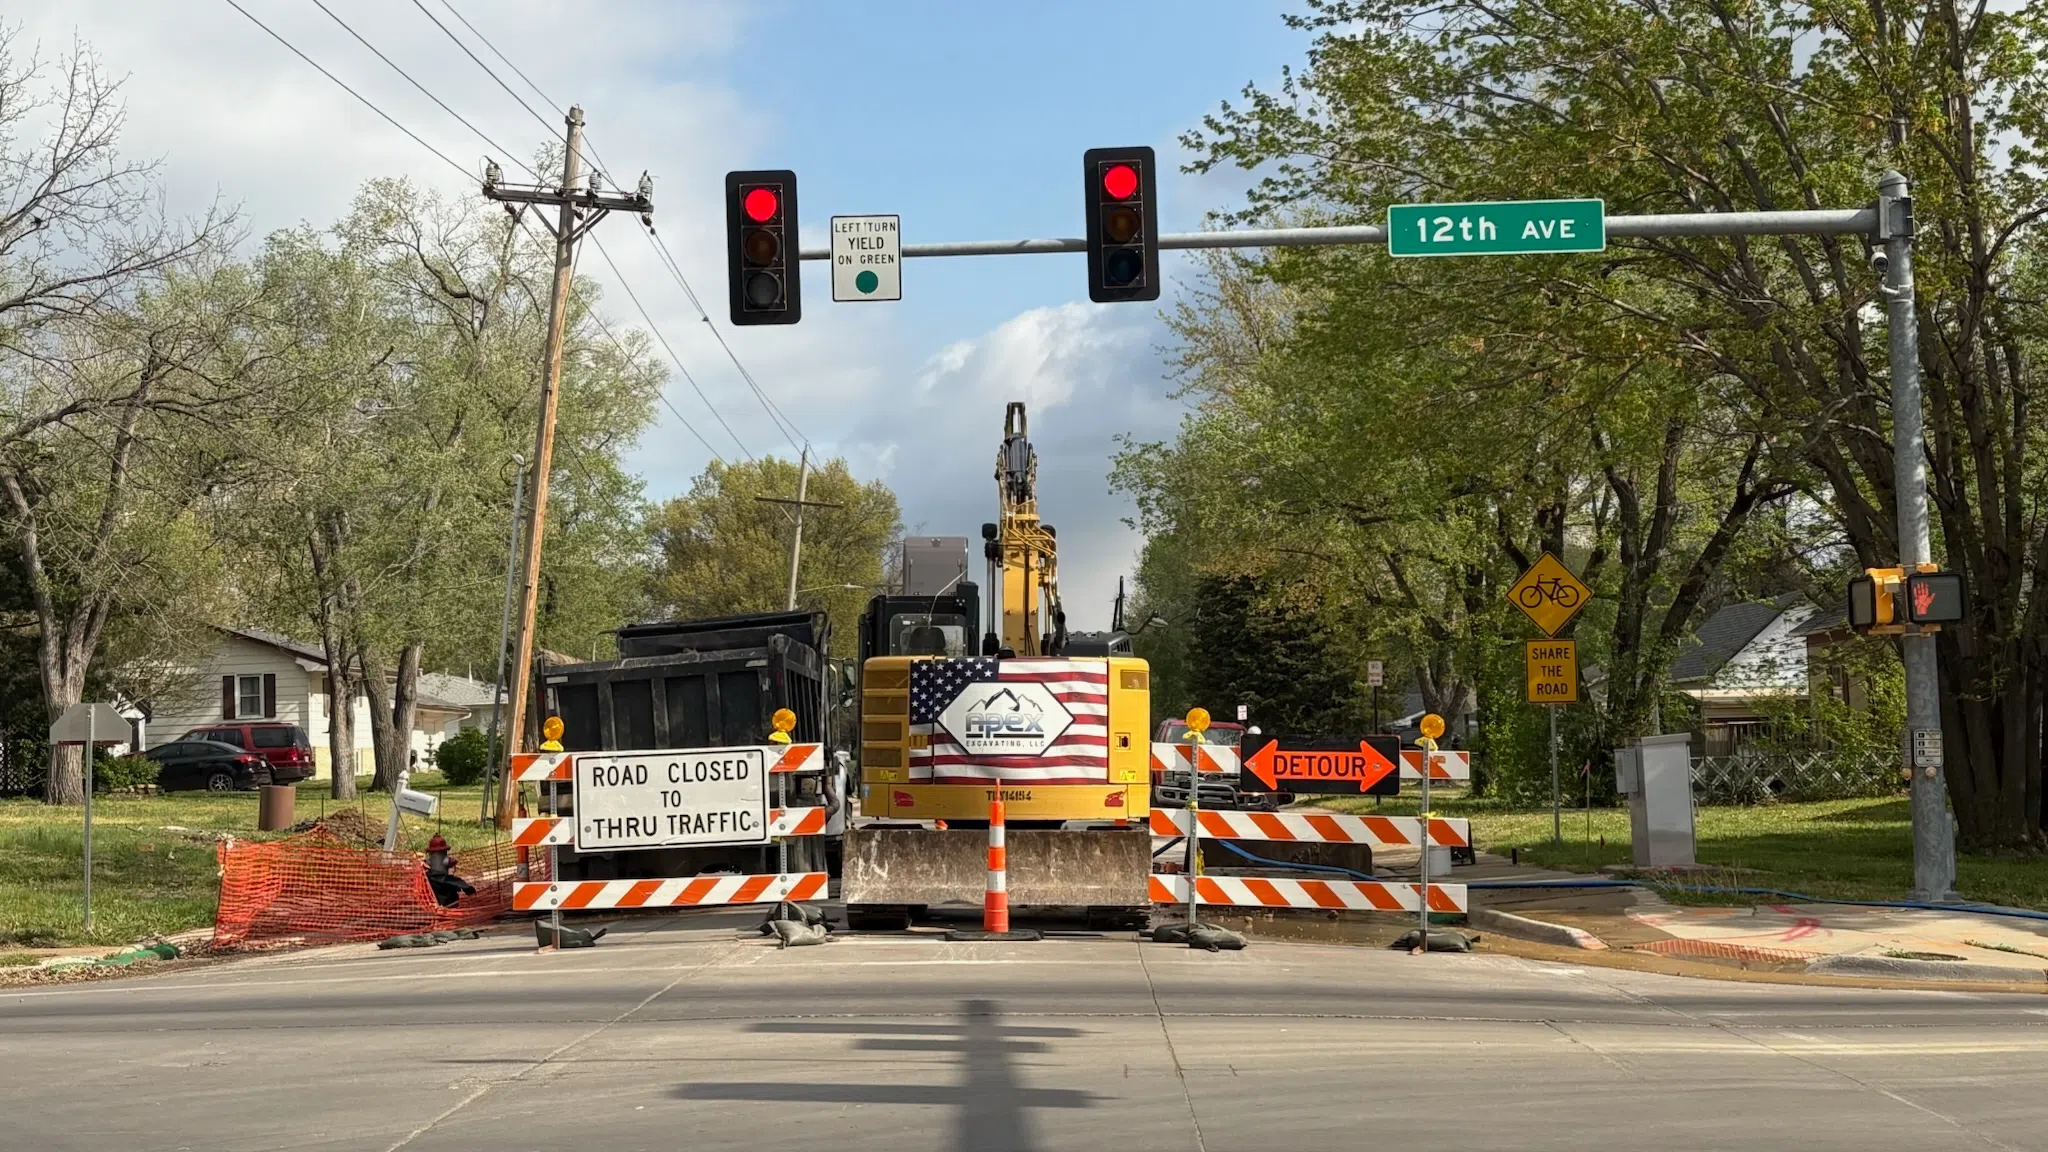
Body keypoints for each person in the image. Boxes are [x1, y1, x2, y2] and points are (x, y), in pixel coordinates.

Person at [423, 834, 475, 907]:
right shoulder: (444, 859)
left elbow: (427, 863)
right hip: (440, 878)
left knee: (451, 885)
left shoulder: (431, 860)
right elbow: (451, 862)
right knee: (456, 883)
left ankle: (445, 904)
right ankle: (449, 903)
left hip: (435, 878)